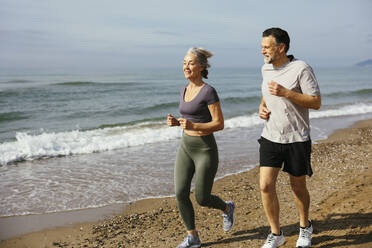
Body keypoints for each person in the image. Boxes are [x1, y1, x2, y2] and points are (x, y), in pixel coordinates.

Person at [258, 28, 321, 248]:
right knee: (265, 185)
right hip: (270, 136)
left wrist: (286, 93)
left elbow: (315, 102)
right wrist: (262, 108)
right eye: (262, 46)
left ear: (281, 48)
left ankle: (305, 227)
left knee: (298, 187)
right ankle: (276, 234)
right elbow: (266, 95)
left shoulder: (301, 68)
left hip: (297, 138)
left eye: (267, 47)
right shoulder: (265, 68)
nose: (263, 50)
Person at [167, 47, 235, 248]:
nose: (186, 66)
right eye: (184, 62)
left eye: (190, 63)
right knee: (180, 192)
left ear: (202, 66)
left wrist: (194, 126)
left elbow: (219, 123)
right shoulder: (183, 89)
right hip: (185, 147)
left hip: (205, 149)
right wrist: (176, 123)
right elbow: (187, 120)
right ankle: (193, 237)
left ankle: (227, 208)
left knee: (202, 198)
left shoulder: (208, 91)